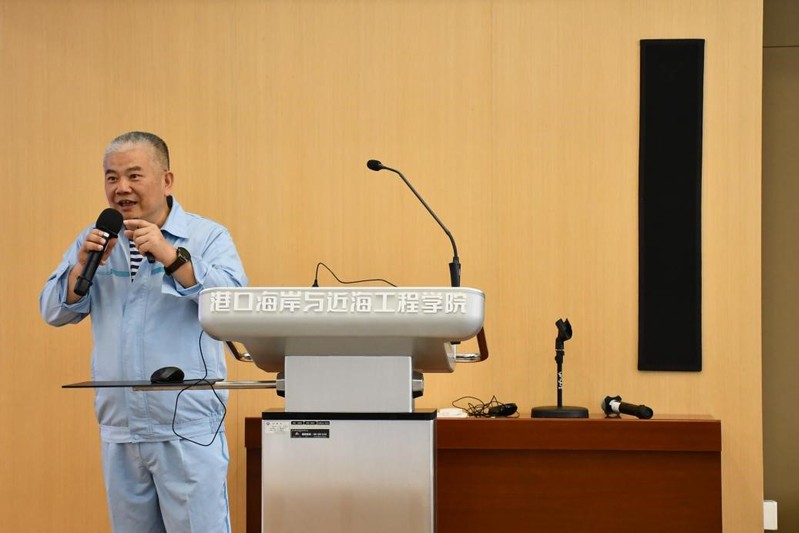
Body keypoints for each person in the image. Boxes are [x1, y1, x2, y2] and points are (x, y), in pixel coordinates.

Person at [40, 131, 247, 532]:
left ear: (166, 181)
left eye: (134, 176)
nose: (121, 188)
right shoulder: (96, 240)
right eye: (111, 177)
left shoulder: (207, 237)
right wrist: (81, 268)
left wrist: (172, 256)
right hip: (121, 427)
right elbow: (52, 310)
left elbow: (233, 305)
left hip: (186, 427)